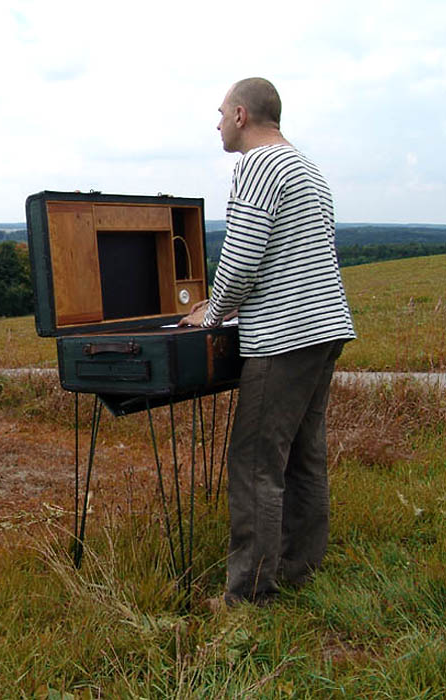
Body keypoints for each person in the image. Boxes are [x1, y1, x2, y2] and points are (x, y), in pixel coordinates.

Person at [179, 77, 356, 607]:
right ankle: (299, 569)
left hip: (285, 335)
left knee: (255, 461)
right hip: (327, 327)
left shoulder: (256, 165)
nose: (215, 125)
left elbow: (243, 252)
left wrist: (212, 311)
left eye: (219, 114)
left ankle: (249, 596)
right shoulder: (306, 165)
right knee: (304, 454)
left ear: (239, 114)